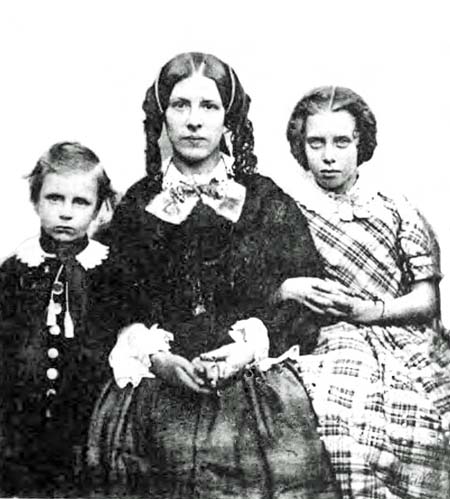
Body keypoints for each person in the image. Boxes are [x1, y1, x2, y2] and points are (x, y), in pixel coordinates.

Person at [87, 52, 341, 499]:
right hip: (157, 387)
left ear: (229, 119)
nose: (193, 121)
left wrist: (245, 350)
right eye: (180, 105)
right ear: (162, 116)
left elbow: (305, 303)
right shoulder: (137, 206)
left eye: (208, 106)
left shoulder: (265, 201)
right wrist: (155, 357)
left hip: (252, 386)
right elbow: (112, 304)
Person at [282, 86, 450, 499]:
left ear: (362, 144)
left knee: (433, 416)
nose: (329, 155)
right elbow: (258, 287)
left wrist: (368, 311)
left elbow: (427, 301)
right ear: (301, 147)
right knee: (338, 420)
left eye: (342, 141)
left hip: (400, 333)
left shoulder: (394, 207)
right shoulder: (284, 210)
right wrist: (291, 289)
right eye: (316, 143)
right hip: (329, 339)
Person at [0, 142, 117, 496]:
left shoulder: (111, 272)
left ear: (99, 207)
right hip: (21, 431)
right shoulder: (14, 272)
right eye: (55, 198)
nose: (66, 212)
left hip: (88, 429)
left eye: (80, 202)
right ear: (36, 200)